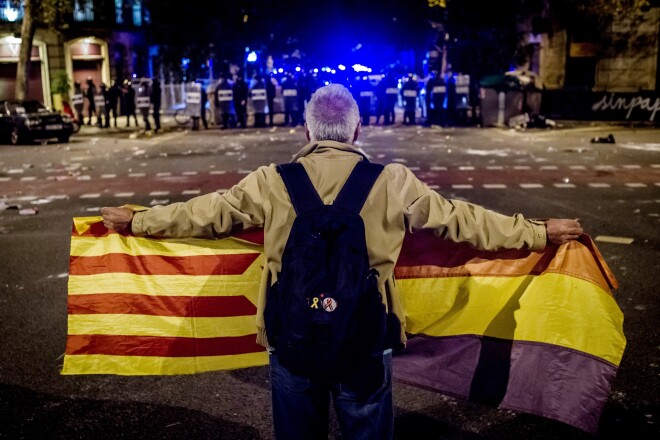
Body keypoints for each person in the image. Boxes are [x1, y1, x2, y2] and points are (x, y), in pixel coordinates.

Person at [100, 84, 583, 440]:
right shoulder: (391, 180)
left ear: (306, 129)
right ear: (357, 128)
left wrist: (138, 221)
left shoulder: (272, 180)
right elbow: (464, 221)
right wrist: (538, 232)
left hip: (291, 337)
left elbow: (203, 214)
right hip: (365, 339)